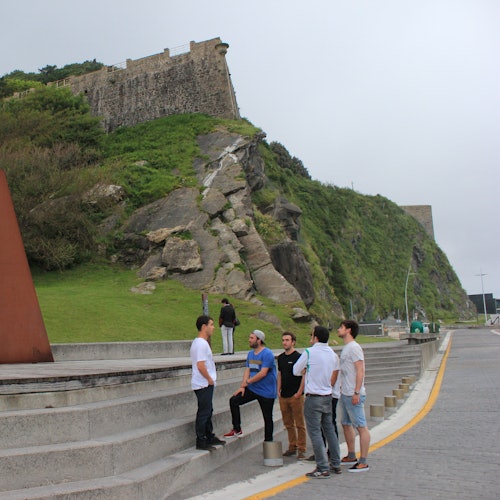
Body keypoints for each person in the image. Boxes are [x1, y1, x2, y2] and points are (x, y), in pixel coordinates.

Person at [293, 325, 341, 479]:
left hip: (313, 397)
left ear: (316, 338)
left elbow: (295, 370)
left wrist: (306, 370)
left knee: (315, 432)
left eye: (312, 335)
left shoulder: (310, 352)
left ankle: (322, 466)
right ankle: (336, 462)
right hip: (328, 395)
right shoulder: (332, 354)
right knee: (329, 430)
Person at [224, 330, 277, 442]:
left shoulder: (267, 354)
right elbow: (247, 370)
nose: (249, 340)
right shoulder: (250, 354)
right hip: (253, 388)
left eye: (252, 338)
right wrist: (243, 386)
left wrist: (247, 382)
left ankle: (269, 444)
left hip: (266, 392)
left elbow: (263, 373)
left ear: (259, 340)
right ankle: (237, 429)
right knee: (234, 400)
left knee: (267, 418)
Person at [338, 319, 371, 472]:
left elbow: (360, 370)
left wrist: (356, 391)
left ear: (349, 330)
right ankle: (351, 454)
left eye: (341, 327)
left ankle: (363, 460)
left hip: (353, 393)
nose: (339, 330)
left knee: (361, 426)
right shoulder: (346, 348)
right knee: (345, 423)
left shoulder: (354, 348)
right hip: (345, 393)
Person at [190, 315, 226, 451]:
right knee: (204, 412)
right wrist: (209, 379)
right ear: (204, 326)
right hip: (203, 383)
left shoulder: (201, 343)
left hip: (204, 383)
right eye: (211, 325)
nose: (213, 327)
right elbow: (200, 365)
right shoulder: (200, 344)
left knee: (208, 410)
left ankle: (209, 436)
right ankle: (201, 440)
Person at [277, 332, 306, 460]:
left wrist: (300, 392)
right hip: (284, 395)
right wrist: (278, 389)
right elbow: (279, 374)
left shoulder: (299, 357)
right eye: (283, 340)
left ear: (293, 342)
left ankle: (302, 448)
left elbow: (304, 375)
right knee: (288, 423)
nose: (285, 342)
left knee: (299, 423)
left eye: (287, 340)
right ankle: (292, 445)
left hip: (296, 395)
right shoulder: (281, 358)